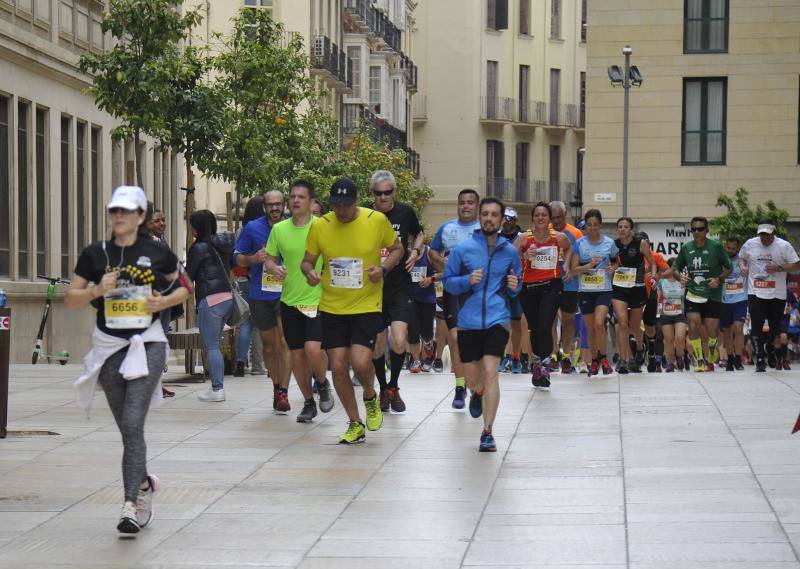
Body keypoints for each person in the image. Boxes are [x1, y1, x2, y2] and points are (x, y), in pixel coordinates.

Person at [66, 185, 189, 534]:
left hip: (146, 343)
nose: (118, 217)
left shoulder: (156, 251)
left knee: (133, 423)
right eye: (113, 211)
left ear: (140, 217)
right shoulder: (95, 254)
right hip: (108, 347)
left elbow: (185, 286)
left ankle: (131, 504)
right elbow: (71, 299)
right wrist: (95, 290)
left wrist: (160, 303)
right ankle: (146, 482)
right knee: (128, 429)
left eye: (126, 211)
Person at [301, 178, 404, 444]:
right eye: (336, 204)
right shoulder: (320, 225)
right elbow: (307, 262)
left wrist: (382, 269)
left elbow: (398, 249)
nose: (341, 210)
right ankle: (354, 422)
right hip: (333, 306)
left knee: (359, 362)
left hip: (367, 305)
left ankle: (370, 394)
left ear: (357, 199)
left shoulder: (376, 220)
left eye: (346, 205)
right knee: (337, 366)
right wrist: (311, 272)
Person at [443, 197, 521, 452]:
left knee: (491, 371)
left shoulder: (509, 251)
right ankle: (476, 393)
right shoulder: (463, 250)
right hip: (468, 321)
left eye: (494, 215)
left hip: (498, 319)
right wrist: (467, 280)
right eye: (485, 214)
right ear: (480, 216)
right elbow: (448, 282)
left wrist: (514, 287)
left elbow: (516, 285)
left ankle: (488, 432)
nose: (489, 218)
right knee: (474, 377)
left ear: (501, 220)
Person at [264, 180, 335, 422]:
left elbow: (337, 259)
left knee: (313, 349)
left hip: (318, 299)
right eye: (292, 196)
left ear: (311, 201)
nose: (295, 201)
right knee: (296, 356)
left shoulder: (324, 226)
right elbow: (270, 259)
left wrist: (323, 275)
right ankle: (308, 402)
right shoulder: (279, 230)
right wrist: (274, 268)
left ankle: (323, 383)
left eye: (301, 197)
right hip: (289, 300)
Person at [369, 170, 424, 413]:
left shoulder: (405, 211)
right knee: (379, 344)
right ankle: (383, 388)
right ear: (372, 194)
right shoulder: (364, 215)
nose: (383, 197)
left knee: (400, 339)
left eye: (387, 192)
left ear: (395, 192)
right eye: (378, 193)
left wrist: (415, 250)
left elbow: (419, 233)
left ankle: (393, 386)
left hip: (400, 286)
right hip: (373, 287)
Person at [234, 190, 293, 413]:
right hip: (261, 293)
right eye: (271, 205)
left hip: (287, 293)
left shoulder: (292, 226)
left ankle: (284, 392)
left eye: (278, 204)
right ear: (264, 207)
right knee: (270, 345)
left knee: (285, 342)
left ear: (284, 204)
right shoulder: (252, 228)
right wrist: (252, 259)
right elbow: (236, 257)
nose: (275, 208)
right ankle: (276, 387)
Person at [429, 189, 481, 409]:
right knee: (455, 337)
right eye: (462, 203)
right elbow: (432, 252)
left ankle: (477, 388)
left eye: (470, 203)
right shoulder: (447, 228)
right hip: (453, 289)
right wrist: (443, 264)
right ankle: (460, 387)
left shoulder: (483, 229)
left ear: (477, 206)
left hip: (478, 291)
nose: (465, 206)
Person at [515, 202, 572, 387]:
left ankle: (545, 364)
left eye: (544, 215)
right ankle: (537, 362)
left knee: (546, 325)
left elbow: (570, 247)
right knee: (535, 327)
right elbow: (511, 256)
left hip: (551, 286)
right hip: (529, 288)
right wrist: (524, 257)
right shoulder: (524, 238)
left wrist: (566, 264)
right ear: (533, 218)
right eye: (537, 215)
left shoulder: (559, 237)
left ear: (549, 218)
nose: (540, 218)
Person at [186, 210, 236, 401]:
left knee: (212, 346)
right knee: (215, 343)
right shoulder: (221, 244)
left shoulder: (198, 248)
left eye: (191, 224)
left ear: (197, 227)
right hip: (227, 298)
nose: (190, 228)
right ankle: (217, 387)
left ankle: (217, 389)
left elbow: (188, 275)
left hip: (210, 299)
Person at [672, 216, 732, 372]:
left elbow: (728, 267)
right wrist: (681, 277)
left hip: (712, 293)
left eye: (700, 229)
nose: (696, 232)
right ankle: (699, 359)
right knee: (693, 324)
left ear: (707, 230)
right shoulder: (686, 248)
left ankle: (712, 348)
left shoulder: (716, 247)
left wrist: (718, 279)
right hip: (693, 292)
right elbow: (675, 268)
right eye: (693, 229)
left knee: (713, 331)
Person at [737, 223, 800, 372]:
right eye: (762, 234)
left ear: (773, 233)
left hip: (777, 293)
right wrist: (743, 267)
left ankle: (770, 347)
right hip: (756, 292)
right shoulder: (750, 244)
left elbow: (796, 265)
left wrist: (779, 268)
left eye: (767, 234)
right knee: (757, 326)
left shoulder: (784, 246)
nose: (764, 237)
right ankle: (759, 357)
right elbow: (741, 258)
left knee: (775, 326)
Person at [570, 209, 619, 376]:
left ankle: (604, 358)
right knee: (590, 329)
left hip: (603, 289)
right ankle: (593, 360)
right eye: (589, 225)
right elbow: (574, 269)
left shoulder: (609, 243)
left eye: (595, 225)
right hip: (585, 291)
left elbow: (616, 261)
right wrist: (588, 266)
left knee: (599, 323)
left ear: (600, 225)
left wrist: (614, 268)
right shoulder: (579, 244)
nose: (592, 228)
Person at [611, 217, 655, 374]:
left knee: (635, 326)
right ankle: (623, 361)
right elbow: (611, 263)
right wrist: (612, 268)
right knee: (622, 323)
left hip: (637, 288)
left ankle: (640, 347)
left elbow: (652, 262)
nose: (622, 229)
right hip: (619, 288)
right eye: (620, 227)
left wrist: (653, 276)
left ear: (631, 229)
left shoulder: (640, 243)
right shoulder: (613, 245)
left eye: (626, 227)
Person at [233, 197, 267, 377]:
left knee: (244, 322)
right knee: (257, 325)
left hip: (241, 280)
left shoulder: (241, 230)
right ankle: (257, 365)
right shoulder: (261, 230)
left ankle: (240, 361)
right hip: (257, 280)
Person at [549, 201, 583, 373]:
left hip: (570, 283)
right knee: (550, 321)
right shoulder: (545, 229)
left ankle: (567, 356)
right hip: (550, 281)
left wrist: (571, 267)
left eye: (559, 217)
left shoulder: (575, 233)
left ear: (565, 215)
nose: (556, 221)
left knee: (568, 321)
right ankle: (554, 354)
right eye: (553, 218)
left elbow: (579, 255)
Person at [498, 207, 526, 374]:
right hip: (499, 286)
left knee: (516, 324)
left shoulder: (523, 238)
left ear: (516, 221)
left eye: (510, 219)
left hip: (517, 285)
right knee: (501, 323)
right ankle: (501, 356)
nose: (506, 222)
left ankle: (515, 356)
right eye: (504, 219)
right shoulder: (495, 237)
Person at [639, 232, 669, 372]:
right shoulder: (632, 256)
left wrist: (656, 277)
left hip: (650, 294)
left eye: (644, 242)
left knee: (649, 326)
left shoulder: (655, 256)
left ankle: (651, 353)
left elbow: (667, 270)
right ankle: (637, 354)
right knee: (633, 326)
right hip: (634, 293)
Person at [408, 244, 437, 373]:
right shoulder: (404, 251)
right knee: (413, 330)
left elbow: (443, 270)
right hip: (411, 298)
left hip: (427, 298)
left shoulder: (429, 252)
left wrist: (431, 279)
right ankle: (416, 360)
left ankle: (429, 353)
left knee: (427, 332)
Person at [721, 236, 748, 371]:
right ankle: (730, 359)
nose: (730, 250)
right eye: (728, 248)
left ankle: (738, 359)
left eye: (733, 248)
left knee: (738, 328)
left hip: (740, 299)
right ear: (725, 246)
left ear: (738, 248)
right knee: (726, 331)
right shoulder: (720, 260)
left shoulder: (743, 261)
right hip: (724, 300)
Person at [658, 258, 688, 372]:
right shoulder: (662, 281)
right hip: (666, 313)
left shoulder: (683, 280)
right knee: (668, 340)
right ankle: (671, 363)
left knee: (680, 337)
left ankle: (679, 356)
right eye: (673, 267)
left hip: (680, 313)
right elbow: (659, 298)